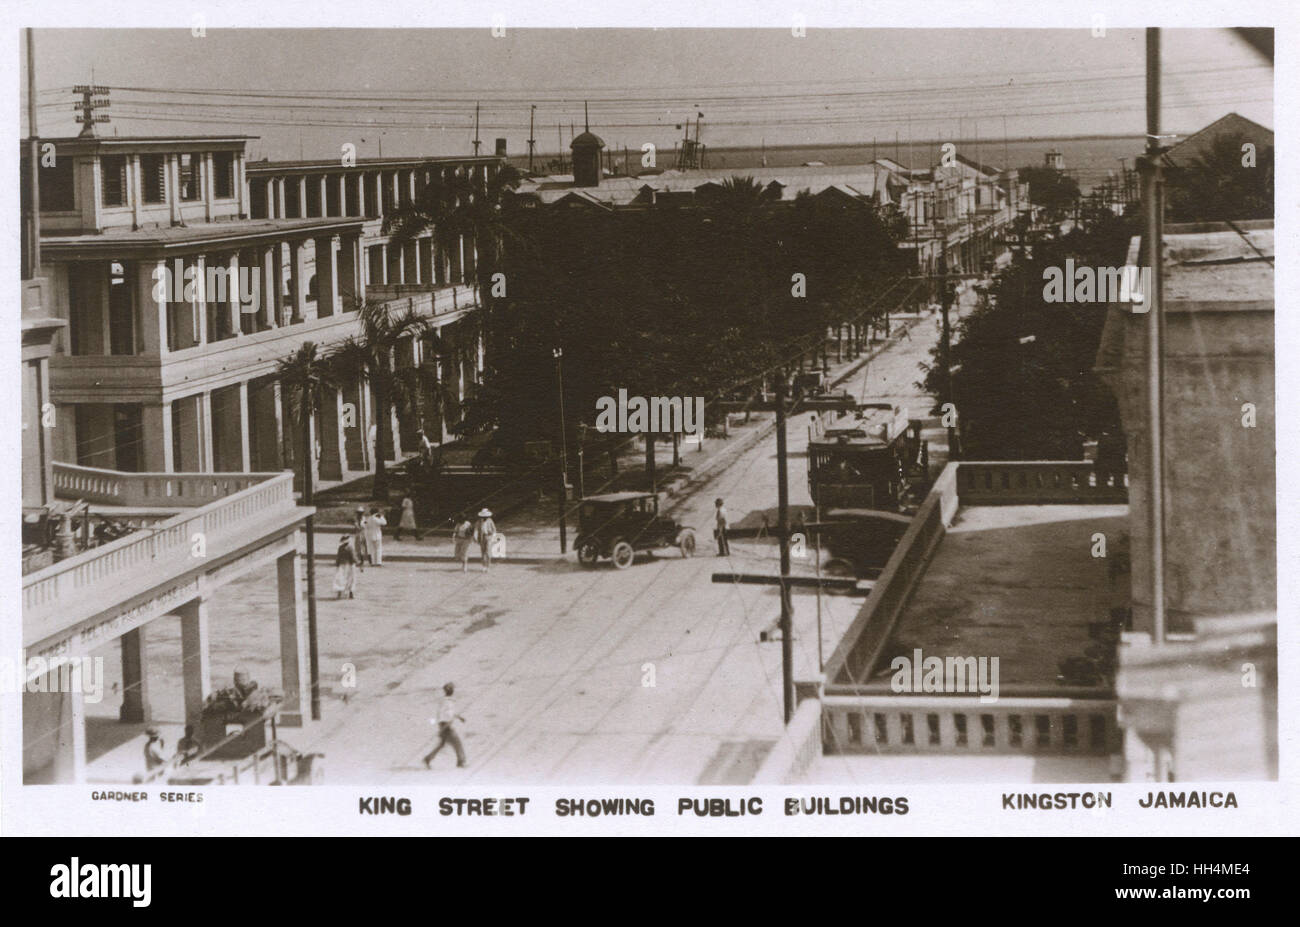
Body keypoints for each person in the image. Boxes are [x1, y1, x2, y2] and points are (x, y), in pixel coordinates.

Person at [423, 682, 467, 769]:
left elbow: (451, 713)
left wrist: (459, 717)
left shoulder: (449, 701)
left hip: (446, 724)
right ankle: (461, 762)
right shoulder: (446, 701)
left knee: (442, 744)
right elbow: (442, 714)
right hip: (446, 725)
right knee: (457, 743)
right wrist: (444, 726)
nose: (452, 691)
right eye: (450, 689)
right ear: (448, 691)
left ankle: (428, 758)